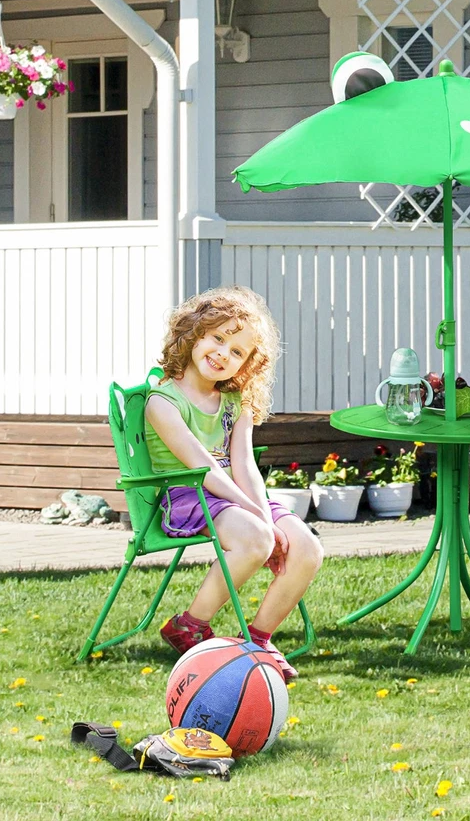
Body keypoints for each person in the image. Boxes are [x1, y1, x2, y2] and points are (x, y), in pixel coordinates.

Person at [144, 286, 323, 680]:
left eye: (238, 351)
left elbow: (243, 462)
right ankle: (190, 625)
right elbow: (204, 468)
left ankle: (258, 639)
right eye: (218, 338)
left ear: (246, 365)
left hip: (237, 496)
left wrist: (265, 514)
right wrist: (261, 524)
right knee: (257, 539)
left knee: (308, 548)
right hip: (190, 494)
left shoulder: (235, 400)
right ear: (194, 333)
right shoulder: (162, 401)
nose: (224, 353)